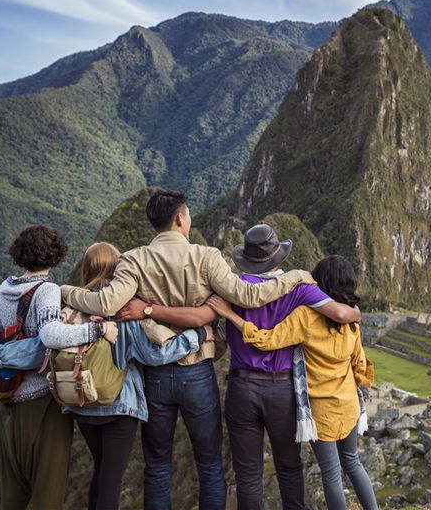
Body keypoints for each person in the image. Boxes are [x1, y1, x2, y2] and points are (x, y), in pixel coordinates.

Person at [59, 190, 328, 510]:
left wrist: (62, 290)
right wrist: (296, 276)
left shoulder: (134, 259)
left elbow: (105, 303)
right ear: (180, 218)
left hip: (156, 376)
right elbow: (249, 295)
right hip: (198, 371)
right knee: (210, 465)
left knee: (157, 466)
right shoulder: (206, 256)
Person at [123, 224, 362, 510]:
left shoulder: (231, 288)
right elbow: (338, 312)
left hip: (241, 387)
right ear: (279, 258)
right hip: (282, 391)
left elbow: (199, 316)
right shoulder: (299, 290)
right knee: (289, 466)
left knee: (248, 474)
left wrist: (148, 309)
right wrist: (356, 311)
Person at [209, 255, 378, 510]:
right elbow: (360, 363)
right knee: (353, 462)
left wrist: (230, 315)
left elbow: (265, 340)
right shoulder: (352, 321)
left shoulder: (305, 317)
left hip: (321, 410)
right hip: (349, 404)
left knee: (331, 474)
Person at [0, 224, 118, 510]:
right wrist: (96, 331)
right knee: (47, 492)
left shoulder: (4, 290)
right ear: (56, 256)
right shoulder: (47, 290)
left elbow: (1, 336)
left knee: (13, 493)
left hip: (7, 401)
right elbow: (49, 337)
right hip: (42, 402)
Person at [65, 242, 209, 510]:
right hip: (118, 405)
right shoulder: (123, 309)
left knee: (101, 470)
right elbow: (153, 355)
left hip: (80, 401)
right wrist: (196, 336)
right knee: (112, 479)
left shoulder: (72, 307)